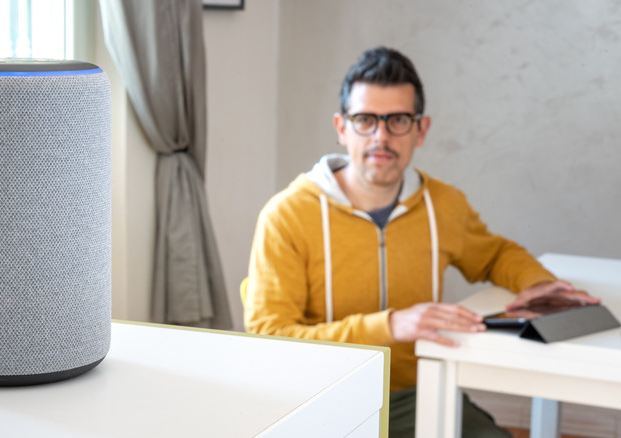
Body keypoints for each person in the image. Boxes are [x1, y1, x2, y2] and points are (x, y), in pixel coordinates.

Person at [241, 47, 599, 437]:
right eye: (365, 120)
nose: (381, 136)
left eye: (397, 120)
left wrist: (536, 282)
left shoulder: (442, 204)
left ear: (421, 129)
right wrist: (390, 325)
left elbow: (494, 254)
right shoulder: (286, 216)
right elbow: (271, 337)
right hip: (319, 400)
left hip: (417, 394)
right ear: (342, 128)